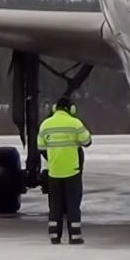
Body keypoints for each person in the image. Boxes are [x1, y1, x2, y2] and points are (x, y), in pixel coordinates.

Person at [36, 97, 92, 245]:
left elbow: (41, 147)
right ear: (71, 109)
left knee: (55, 205)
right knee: (73, 205)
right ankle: (75, 236)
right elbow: (87, 141)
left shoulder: (45, 125)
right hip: (72, 171)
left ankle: (54, 235)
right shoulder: (75, 123)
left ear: (55, 108)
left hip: (54, 171)